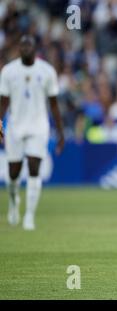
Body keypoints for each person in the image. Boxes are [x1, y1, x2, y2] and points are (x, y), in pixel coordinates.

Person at [0, 35, 65, 230]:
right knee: (13, 172)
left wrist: (61, 132)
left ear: (35, 48)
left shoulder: (46, 71)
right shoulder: (9, 71)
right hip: (16, 126)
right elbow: (3, 102)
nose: (25, 48)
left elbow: (54, 104)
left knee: (34, 167)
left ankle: (29, 216)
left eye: (29, 45)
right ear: (19, 48)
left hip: (38, 126)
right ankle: (13, 203)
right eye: (22, 45)